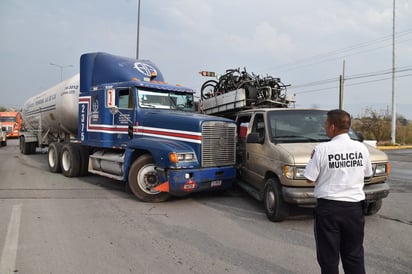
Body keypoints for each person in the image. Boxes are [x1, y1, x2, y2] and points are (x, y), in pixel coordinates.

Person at [304, 109, 373, 274]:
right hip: (354, 210)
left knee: (329, 258)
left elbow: (309, 178)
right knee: (354, 256)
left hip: (329, 210)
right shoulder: (362, 148)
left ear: (333, 127)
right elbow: (368, 174)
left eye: (326, 124)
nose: (325, 127)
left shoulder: (322, 149)